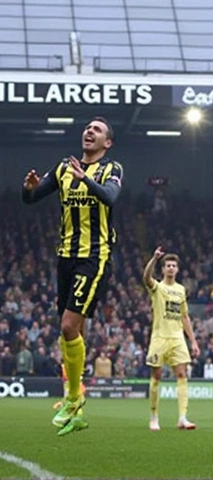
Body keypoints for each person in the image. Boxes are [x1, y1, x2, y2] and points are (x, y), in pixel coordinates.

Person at [22, 117, 123, 436]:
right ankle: (78, 410)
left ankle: (73, 397)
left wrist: (85, 179)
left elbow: (109, 197)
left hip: (94, 256)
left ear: (107, 143)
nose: (89, 131)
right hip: (64, 256)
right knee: (71, 329)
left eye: (97, 130)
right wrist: (29, 189)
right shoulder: (64, 167)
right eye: (87, 128)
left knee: (68, 325)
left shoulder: (112, 169)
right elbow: (33, 198)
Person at [143, 246, 200, 431]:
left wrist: (193, 341)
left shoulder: (181, 290)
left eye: (173, 265)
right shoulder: (158, 287)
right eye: (167, 265)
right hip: (159, 337)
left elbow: (184, 317)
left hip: (177, 338)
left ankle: (182, 418)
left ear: (177, 269)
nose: (170, 268)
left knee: (182, 375)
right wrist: (154, 259)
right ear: (163, 269)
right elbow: (146, 278)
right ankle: (153, 417)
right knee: (156, 375)